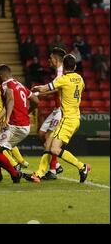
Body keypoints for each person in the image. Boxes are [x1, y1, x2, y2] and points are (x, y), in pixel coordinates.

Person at [25, 55, 90, 183]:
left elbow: (45, 88)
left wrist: (35, 89)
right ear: (75, 66)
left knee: (54, 148)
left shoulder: (63, 79)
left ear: (64, 66)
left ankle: (82, 167)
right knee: (49, 143)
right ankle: (38, 174)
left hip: (67, 120)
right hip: (76, 118)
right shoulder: (79, 78)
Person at [0, 64, 39, 183]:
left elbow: (10, 99)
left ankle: (15, 174)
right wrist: (27, 112)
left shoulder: (5, 84)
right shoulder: (20, 85)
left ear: (1, 75)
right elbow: (36, 101)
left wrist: (6, 119)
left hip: (15, 126)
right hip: (22, 124)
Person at [36, 47, 67, 180]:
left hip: (61, 109)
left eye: (50, 58)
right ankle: (57, 164)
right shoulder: (58, 71)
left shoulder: (62, 72)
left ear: (55, 59)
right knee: (41, 134)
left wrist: (38, 93)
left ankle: (52, 170)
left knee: (49, 137)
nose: (49, 61)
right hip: (55, 109)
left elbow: (55, 89)